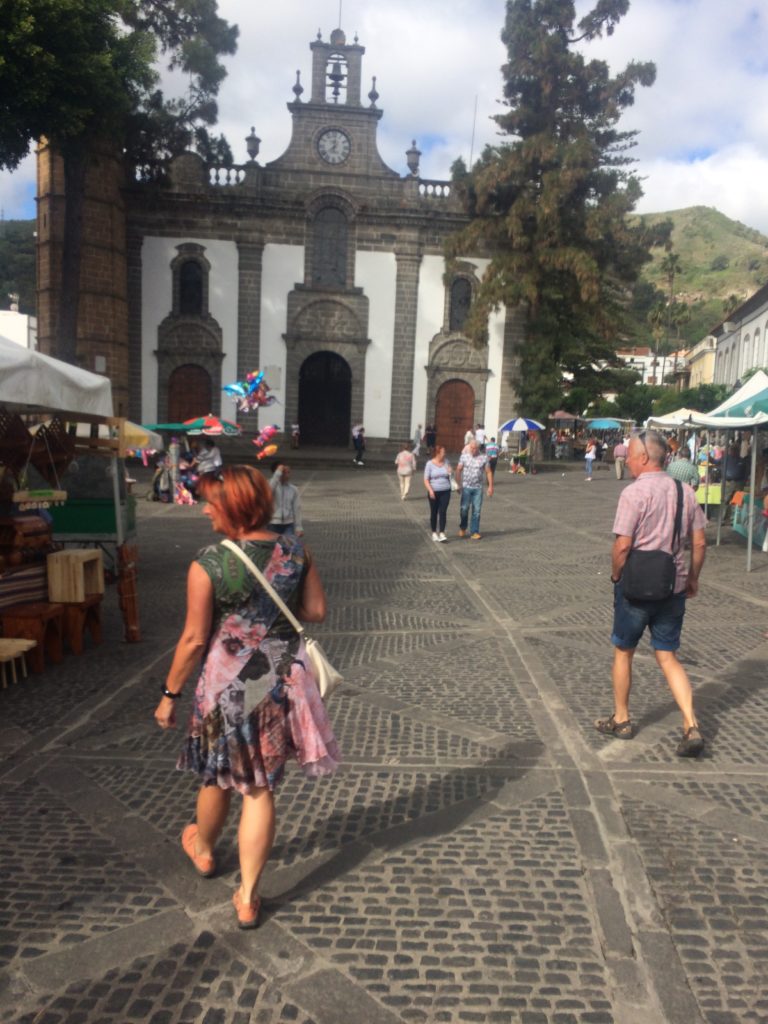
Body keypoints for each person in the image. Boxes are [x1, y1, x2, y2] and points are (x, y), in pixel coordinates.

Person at [154, 466, 340, 928]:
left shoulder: (208, 564)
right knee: (259, 789)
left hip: (225, 687)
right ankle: (248, 895)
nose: (204, 509)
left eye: (211, 503)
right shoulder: (297, 551)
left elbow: (195, 640)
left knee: (216, 776)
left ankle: (202, 850)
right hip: (278, 683)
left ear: (232, 508)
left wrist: (167, 695)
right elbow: (316, 611)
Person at [595, 430, 707, 758]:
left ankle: (622, 719)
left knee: (624, 651)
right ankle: (690, 723)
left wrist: (616, 574)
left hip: (635, 588)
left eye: (630, 454)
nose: (627, 459)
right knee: (668, 656)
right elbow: (698, 544)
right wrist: (693, 578)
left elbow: (623, 544)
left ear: (644, 458)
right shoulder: (685, 492)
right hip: (672, 587)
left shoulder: (633, 494)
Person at [456, 439, 494, 539]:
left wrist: (490, 486)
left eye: (474, 448)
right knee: (464, 509)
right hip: (466, 487)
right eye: (471, 448)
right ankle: (463, 527)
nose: (472, 450)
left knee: (476, 510)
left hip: (478, 488)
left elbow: (488, 472)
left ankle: (474, 531)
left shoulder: (484, 457)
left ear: (478, 448)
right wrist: (458, 484)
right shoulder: (464, 456)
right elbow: (459, 470)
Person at [424, 444, 452, 542]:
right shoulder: (429, 464)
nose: (445, 454)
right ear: (438, 453)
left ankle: (442, 533)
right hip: (434, 491)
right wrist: (431, 490)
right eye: (443, 452)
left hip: (446, 490)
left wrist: (450, 472)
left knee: (443, 511)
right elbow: (426, 479)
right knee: (434, 512)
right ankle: (434, 532)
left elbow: (449, 476)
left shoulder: (446, 462)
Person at [268, 462, 303, 536]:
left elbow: (297, 508)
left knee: (289, 546)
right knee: (274, 546)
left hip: (288, 524)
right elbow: (269, 491)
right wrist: (278, 473)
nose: (287, 475)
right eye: (284, 472)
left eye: (288, 472)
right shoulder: (269, 485)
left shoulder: (293, 489)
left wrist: (298, 527)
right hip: (272, 523)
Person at [722, 443, 747, 523]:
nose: (734, 451)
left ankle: (734, 520)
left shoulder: (742, 460)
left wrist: (744, 482)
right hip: (728, 483)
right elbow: (716, 461)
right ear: (730, 451)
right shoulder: (726, 458)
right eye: (732, 450)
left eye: (736, 450)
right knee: (725, 500)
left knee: (737, 501)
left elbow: (746, 472)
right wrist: (710, 458)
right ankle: (723, 519)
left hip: (739, 483)